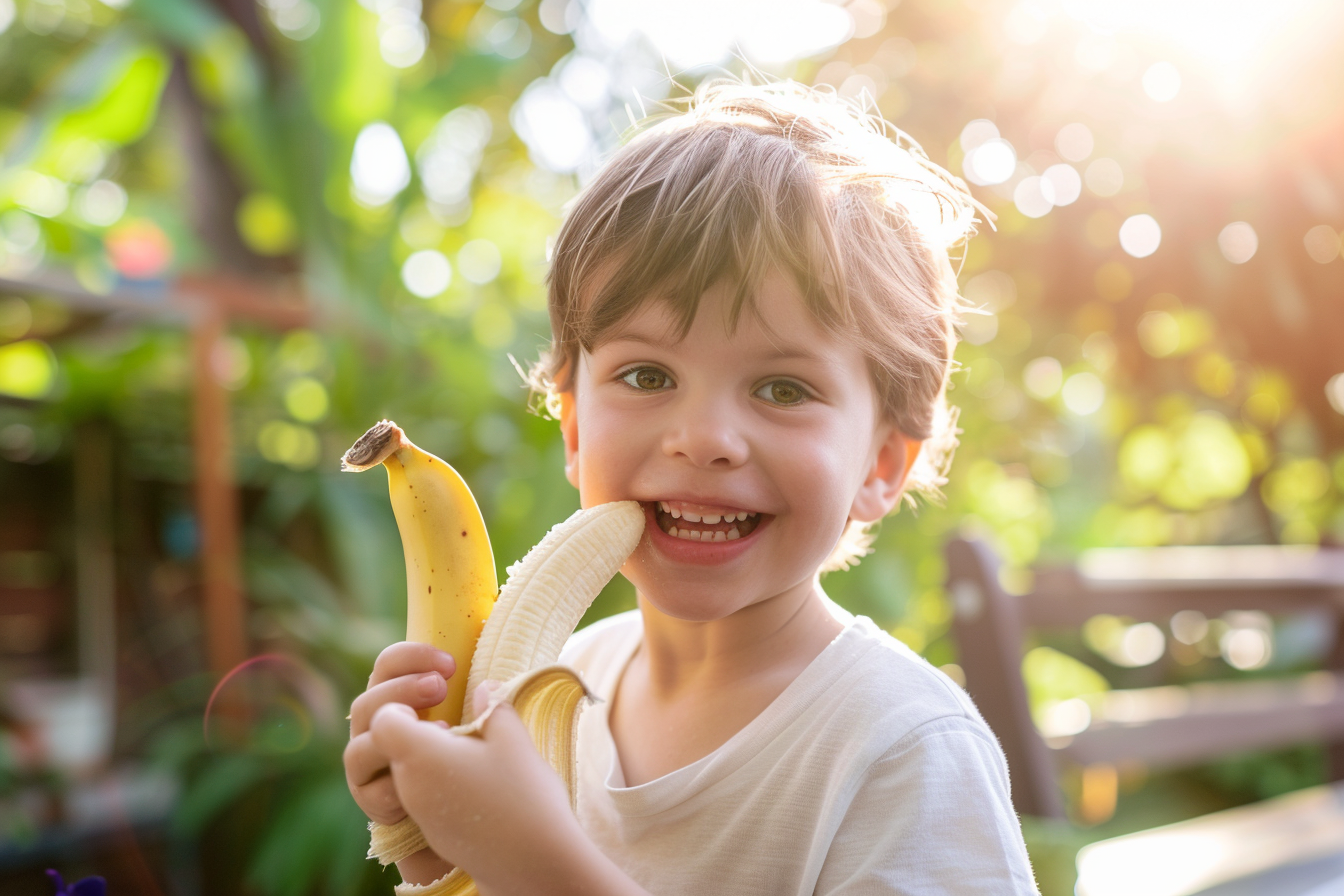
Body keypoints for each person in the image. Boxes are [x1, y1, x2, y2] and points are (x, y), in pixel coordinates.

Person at [343, 79, 1039, 895]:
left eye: (782, 388)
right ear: (572, 429)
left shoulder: (902, 746)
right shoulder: (553, 685)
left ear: (881, 464)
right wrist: (439, 851)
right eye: (647, 374)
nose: (703, 439)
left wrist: (539, 863)